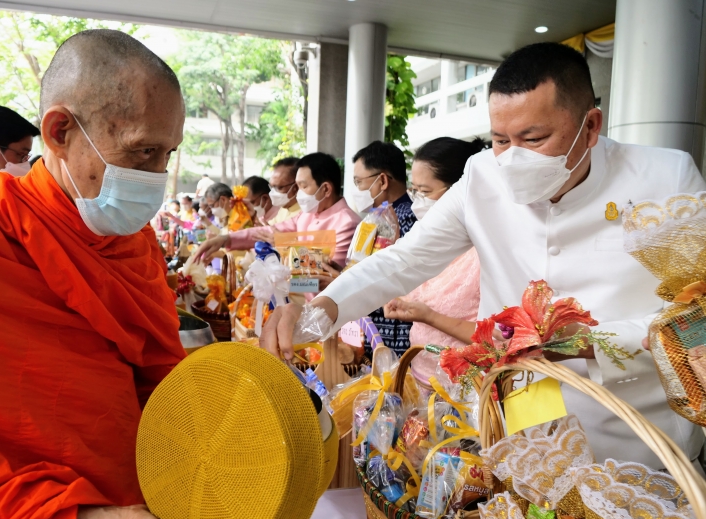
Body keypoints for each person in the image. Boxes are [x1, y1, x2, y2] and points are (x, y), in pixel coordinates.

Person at [262, 42, 706, 470]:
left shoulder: (664, 178)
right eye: (499, 139)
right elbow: (405, 260)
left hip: (637, 434)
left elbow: (695, 317)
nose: (512, 159)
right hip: (517, 426)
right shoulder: (482, 175)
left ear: (591, 126)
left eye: (534, 138)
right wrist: (320, 310)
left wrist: (578, 343)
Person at [0, 29, 188, 519]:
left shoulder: (135, 244)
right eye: (143, 152)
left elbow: (160, 380)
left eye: (168, 154)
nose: (157, 176)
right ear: (59, 132)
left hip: (146, 499)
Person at [384, 137, 486, 349]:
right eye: (414, 191)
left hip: (469, 380)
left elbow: (499, 338)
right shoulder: (424, 239)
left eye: (425, 192)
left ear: (459, 190)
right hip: (421, 373)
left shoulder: (484, 252)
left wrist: (429, 317)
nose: (418, 200)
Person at [195, 153, 361, 272]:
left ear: (325, 189)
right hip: (299, 302)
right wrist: (225, 239)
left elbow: (328, 274)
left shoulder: (347, 223)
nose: (298, 193)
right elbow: (265, 233)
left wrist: (284, 245)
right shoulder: (307, 215)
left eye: (303, 187)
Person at [351, 141, 418, 357]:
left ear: (382, 180)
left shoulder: (408, 220)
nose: (357, 190)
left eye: (359, 182)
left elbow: (396, 281)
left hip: (395, 338)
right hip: (374, 334)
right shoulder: (374, 219)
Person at [266, 157, 301, 225]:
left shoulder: (305, 214)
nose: (273, 193)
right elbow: (267, 227)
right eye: (272, 187)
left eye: (279, 187)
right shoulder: (284, 209)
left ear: (296, 187)